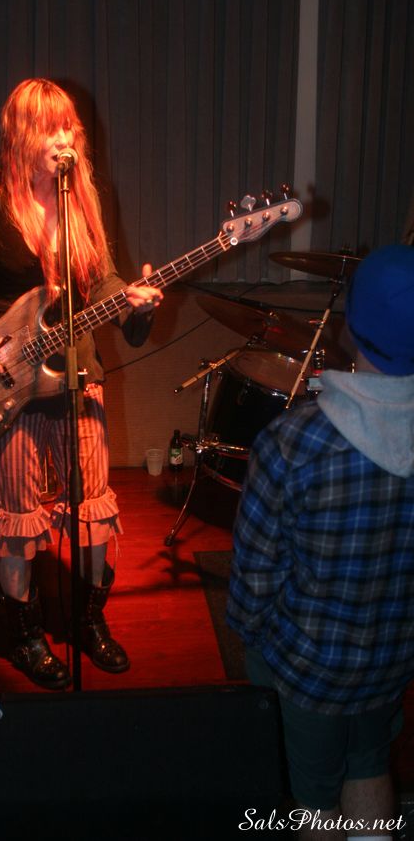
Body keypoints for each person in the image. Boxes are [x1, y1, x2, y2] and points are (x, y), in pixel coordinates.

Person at [0, 78, 162, 690]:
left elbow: (102, 285)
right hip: (5, 378)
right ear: (21, 136)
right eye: (50, 128)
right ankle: (25, 635)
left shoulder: (83, 200)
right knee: (19, 514)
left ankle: (90, 621)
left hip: (77, 372)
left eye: (69, 126)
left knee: (92, 508)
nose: (63, 138)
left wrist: (135, 303)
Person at [226, 244, 414, 840]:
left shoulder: (293, 441)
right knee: (370, 762)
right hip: (392, 658)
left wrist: (254, 640)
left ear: (349, 327)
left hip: (308, 671)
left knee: (313, 798)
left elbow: (253, 584)